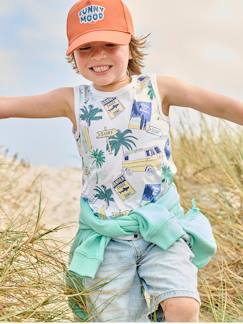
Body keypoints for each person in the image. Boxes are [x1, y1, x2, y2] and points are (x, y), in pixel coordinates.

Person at [1, 0, 243, 322]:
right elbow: (9, 105)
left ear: (130, 45)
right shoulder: (72, 100)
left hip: (161, 225)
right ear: (72, 55)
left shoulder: (159, 89)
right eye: (86, 48)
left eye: (109, 44)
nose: (98, 56)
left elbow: (220, 106)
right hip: (108, 234)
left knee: (183, 305)